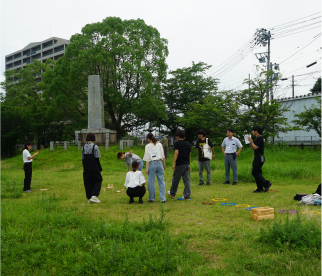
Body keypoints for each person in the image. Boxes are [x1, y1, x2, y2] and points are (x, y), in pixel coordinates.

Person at [168, 130, 191, 200]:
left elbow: (176, 153)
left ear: (178, 136)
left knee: (176, 179)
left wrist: (173, 163)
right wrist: (189, 164)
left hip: (180, 164)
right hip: (187, 164)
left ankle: (172, 193)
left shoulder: (177, 143)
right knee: (187, 180)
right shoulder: (188, 143)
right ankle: (187, 196)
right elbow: (189, 155)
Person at [247, 125, 272, 193]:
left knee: (255, 172)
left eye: (252, 130)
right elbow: (254, 148)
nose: (252, 132)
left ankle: (266, 183)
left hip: (259, 157)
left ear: (256, 131)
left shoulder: (259, 138)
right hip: (257, 156)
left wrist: (252, 141)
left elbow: (255, 147)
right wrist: (250, 142)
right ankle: (260, 188)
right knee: (257, 172)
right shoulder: (257, 138)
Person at [143, 132, 166, 203]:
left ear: (148, 139)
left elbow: (147, 158)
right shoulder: (159, 144)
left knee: (151, 182)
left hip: (152, 164)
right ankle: (163, 199)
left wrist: (147, 168)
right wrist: (164, 164)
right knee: (161, 182)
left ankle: (151, 198)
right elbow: (163, 155)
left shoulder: (147, 146)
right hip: (160, 162)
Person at [81, 133, 103, 203]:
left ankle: (89, 197)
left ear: (87, 138)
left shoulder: (83, 147)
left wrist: (84, 167)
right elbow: (97, 158)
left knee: (88, 181)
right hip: (94, 167)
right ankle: (94, 196)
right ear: (94, 138)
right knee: (98, 180)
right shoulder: (95, 147)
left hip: (86, 167)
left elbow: (83, 158)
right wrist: (99, 168)